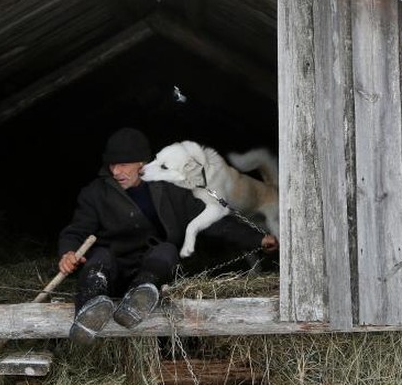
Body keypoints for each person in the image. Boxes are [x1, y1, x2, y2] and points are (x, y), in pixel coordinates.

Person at [58, 127, 277, 344]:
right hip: (111, 267)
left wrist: (256, 239)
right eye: (112, 165)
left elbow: (210, 221)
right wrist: (68, 253)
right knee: (99, 257)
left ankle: (138, 300)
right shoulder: (96, 193)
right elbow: (77, 230)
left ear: (142, 164)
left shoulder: (171, 189)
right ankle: (89, 308)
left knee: (167, 250)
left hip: (152, 270)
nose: (116, 172)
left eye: (123, 165)